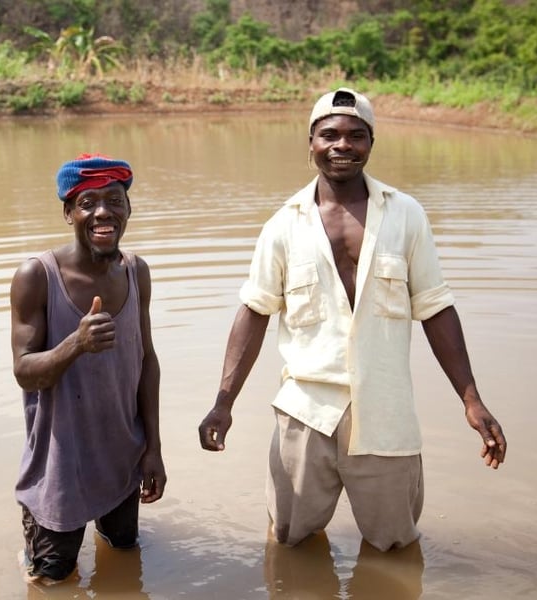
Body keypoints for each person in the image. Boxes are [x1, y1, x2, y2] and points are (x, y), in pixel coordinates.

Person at [198, 88, 506, 552]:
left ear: (371, 144)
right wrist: (224, 402)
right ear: (311, 143)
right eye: (330, 135)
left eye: (356, 135)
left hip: (386, 412)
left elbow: (436, 308)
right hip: (305, 413)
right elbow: (255, 311)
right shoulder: (282, 225)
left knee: (396, 546)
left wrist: (471, 399)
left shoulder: (406, 215)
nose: (342, 145)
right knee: (289, 542)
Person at [11, 153, 166, 584]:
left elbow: (147, 361)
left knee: (124, 559)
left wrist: (153, 448)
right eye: (87, 202)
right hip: (61, 467)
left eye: (115, 200)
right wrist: (76, 344)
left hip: (122, 457)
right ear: (68, 212)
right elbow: (25, 371)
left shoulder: (136, 272)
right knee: (52, 580)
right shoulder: (36, 276)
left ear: (128, 210)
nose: (103, 212)